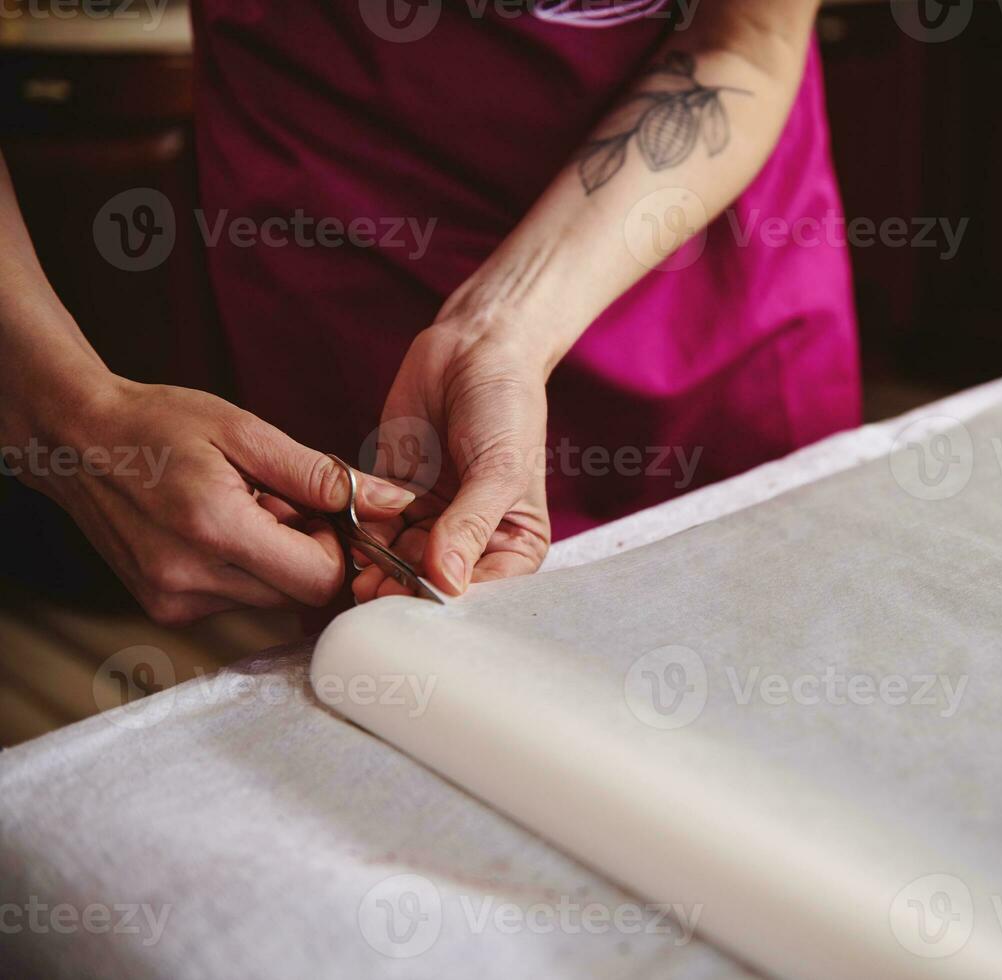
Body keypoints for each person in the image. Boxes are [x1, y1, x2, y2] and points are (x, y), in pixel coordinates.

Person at [0, 0, 859, 625]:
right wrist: (72, 414)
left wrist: (499, 331)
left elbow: (744, 42)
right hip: (351, 300)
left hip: (706, 279)